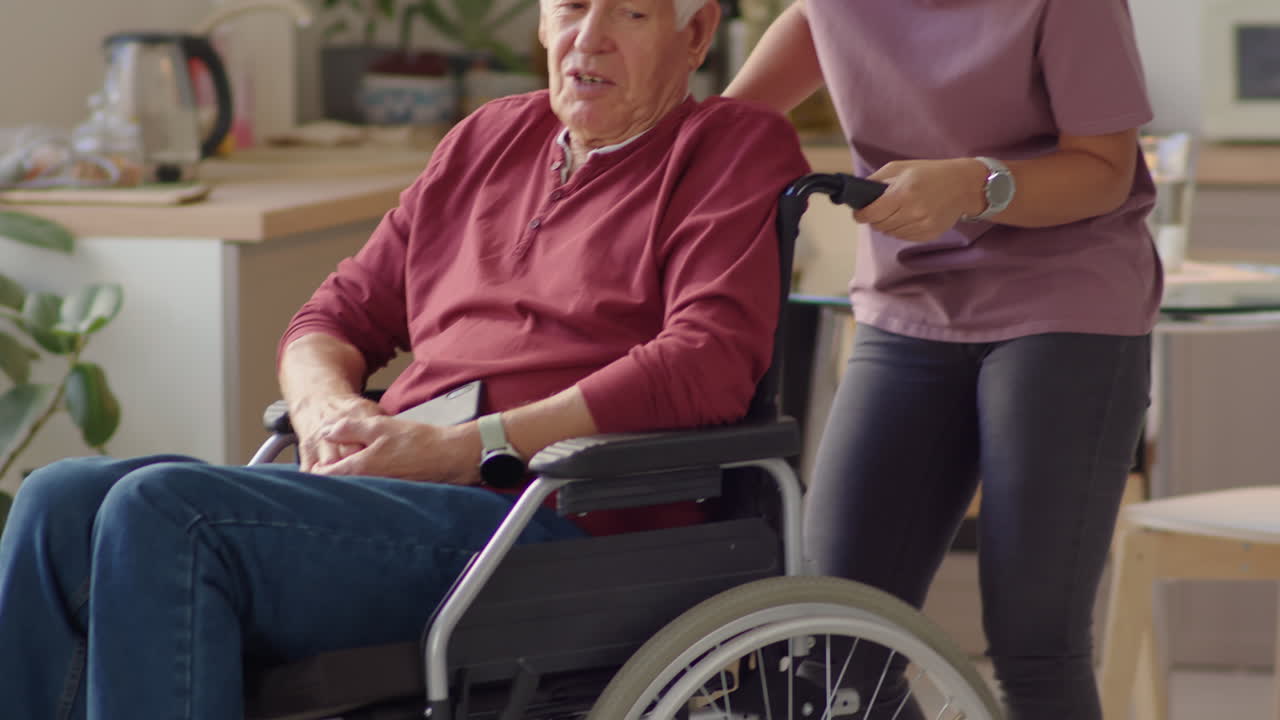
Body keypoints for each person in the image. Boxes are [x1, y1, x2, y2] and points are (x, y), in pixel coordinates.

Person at [0, 1, 811, 717]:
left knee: (165, 511)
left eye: (630, 14)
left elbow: (704, 364)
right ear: (541, 21)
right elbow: (332, 317)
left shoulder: (730, 148)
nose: (588, 39)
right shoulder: (488, 138)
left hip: (554, 519)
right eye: (570, 7)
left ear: (695, 35)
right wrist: (328, 409)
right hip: (400, 497)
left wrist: (465, 448)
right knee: (58, 501)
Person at [725, 1, 1159, 718]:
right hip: (908, 308)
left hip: (1066, 304)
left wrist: (973, 184)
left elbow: (1105, 171)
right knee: (839, 644)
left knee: (1035, 647)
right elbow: (727, 127)